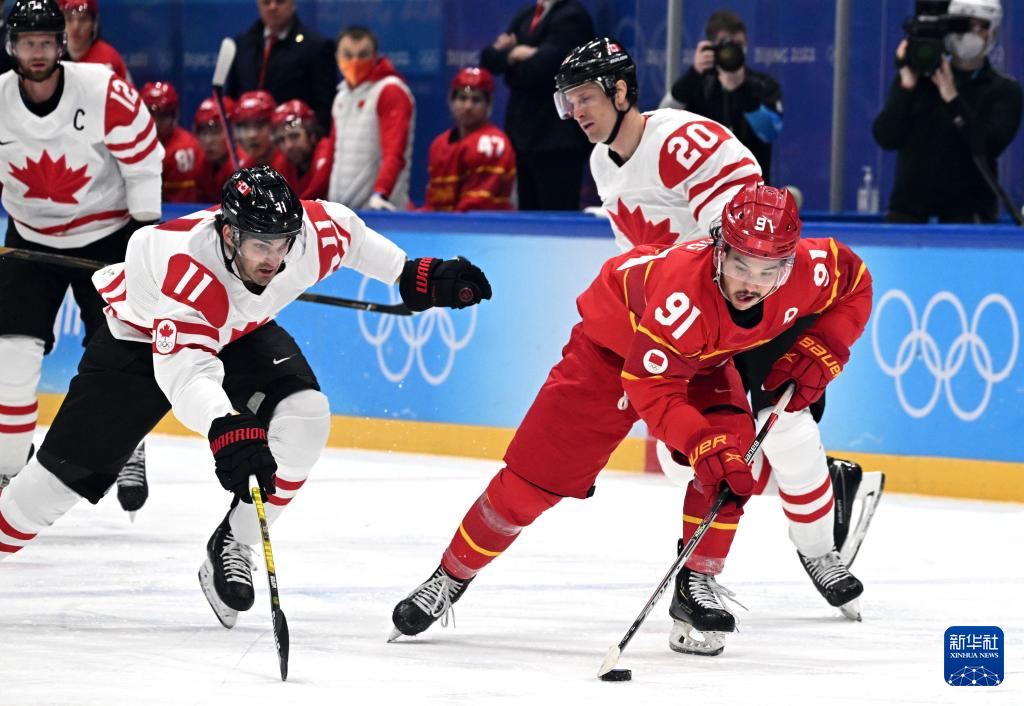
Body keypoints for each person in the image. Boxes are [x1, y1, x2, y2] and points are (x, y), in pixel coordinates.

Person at [0, 165, 492, 633]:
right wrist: (225, 425)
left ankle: (235, 541)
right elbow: (186, 375)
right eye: (260, 245)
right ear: (229, 234)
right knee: (40, 497)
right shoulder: (190, 270)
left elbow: (351, 235)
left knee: (305, 418)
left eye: (282, 243)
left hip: (236, 332)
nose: (273, 260)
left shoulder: (306, 237)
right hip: (140, 342)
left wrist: (409, 273)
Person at [390, 184, 871, 657]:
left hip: (701, 361)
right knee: (531, 484)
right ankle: (449, 576)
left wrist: (823, 346)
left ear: (788, 264)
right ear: (719, 248)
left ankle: (696, 584)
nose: (752, 283)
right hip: (609, 352)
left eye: (768, 271)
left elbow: (856, 281)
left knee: (730, 460)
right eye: (741, 264)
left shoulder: (809, 269)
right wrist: (697, 443)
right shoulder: (683, 293)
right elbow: (651, 386)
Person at [559, 38, 883, 571]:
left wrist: (713, 296)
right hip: (693, 322)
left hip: (746, 299)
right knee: (681, 459)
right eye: (568, 101)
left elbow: (745, 234)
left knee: (781, 418)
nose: (575, 111)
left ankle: (819, 539)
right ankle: (833, 481)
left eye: (584, 97)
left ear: (620, 92)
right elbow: (637, 258)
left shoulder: (682, 141)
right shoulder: (602, 163)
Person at [0, 0, 162, 514]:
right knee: (11, 356)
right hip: (29, 238)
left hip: (106, 234)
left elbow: (144, 158)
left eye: (46, 42)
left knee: (123, 353)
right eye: (28, 43)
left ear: (61, 45)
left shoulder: (102, 90)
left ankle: (131, 448)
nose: (38, 52)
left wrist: (144, 237)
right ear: (12, 47)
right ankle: (7, 471)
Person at [872, 0, 1021, 223]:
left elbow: (989, 146)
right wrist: (907, 87)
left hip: (968, 216)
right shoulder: (919, 80)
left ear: (993, 32)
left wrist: (952, 98)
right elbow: (886, 137)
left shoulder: (1004, 90)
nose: (967, 34)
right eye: (959, 25)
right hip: (909, 214)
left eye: (978, 26)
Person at [480, 0, 593, 210]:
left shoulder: (572, 16)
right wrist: (514, 54)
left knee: (556, 215)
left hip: (556, 140)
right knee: (527, 213)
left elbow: (544, 69)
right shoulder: (527, 14)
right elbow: (489, 58)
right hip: (523, 138)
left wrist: (511, 64)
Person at [664, 10, 783, 183]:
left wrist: (741, 90)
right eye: (725, 45)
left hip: (752, 188)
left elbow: (769, 132)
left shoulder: (763, 84)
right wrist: (693, 75)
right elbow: (664, 117)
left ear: (746, 45)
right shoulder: (697, 84)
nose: (732, 51)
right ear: (712, 47)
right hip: (702, 187)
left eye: (738, 44)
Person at [323, 25, 414, 212]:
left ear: (375, 56)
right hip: (341, 213)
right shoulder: (341, 96)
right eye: (348, 55)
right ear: (337, 57)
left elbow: (394, 151)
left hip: (378, 212)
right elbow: (332, 155)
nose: (355, 61)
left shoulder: (390, 90)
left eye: (363, 55)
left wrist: (381, 193)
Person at [223, 0, 336, 132]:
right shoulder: (242, 44)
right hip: (247, 137)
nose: (273, 7)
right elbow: (231, 98)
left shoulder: (316, 46)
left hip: (290, 138)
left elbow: (323, 109)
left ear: (293, 3)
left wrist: (294, 132)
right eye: (266, 2)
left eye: (280, 1)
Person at [423, 67, 516, 212]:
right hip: (445, 223)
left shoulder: (492, 144)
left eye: (476, 99)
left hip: (481, 225)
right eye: (462, 98)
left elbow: (476, 206)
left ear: (488, 104)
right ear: (451, 101)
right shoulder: (438, 144)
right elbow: (434, 203)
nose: (468, 106)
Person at [141, 81, 206, 203]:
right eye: (150, 114)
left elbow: (180, 208)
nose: (156, 123)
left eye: (163, 115)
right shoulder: (131, 141)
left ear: (175, 115)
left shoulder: (183, 149)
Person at [271, 98, 329, 199]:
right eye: (281, 140)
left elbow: (317, 193)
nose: (288, 146)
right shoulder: (283, 164)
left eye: (294, 136)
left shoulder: (326, 150)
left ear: (312, 135)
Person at [57, 0, 128, 81]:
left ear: (94, 24)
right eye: (69, 19)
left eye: (83, 19)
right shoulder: (53, 57)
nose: (75, 27)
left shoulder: (107, 61)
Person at [194, 96, 246, 203]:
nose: (208, 140)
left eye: (215, 131)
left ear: (233, 131)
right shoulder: (200, 164)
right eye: (203, 132)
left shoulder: (243, 167)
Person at [232, 89, 285, 170]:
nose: (252, 135)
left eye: (259, 125)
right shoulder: (247, 165)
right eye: (245, 127)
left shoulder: (289, 163)